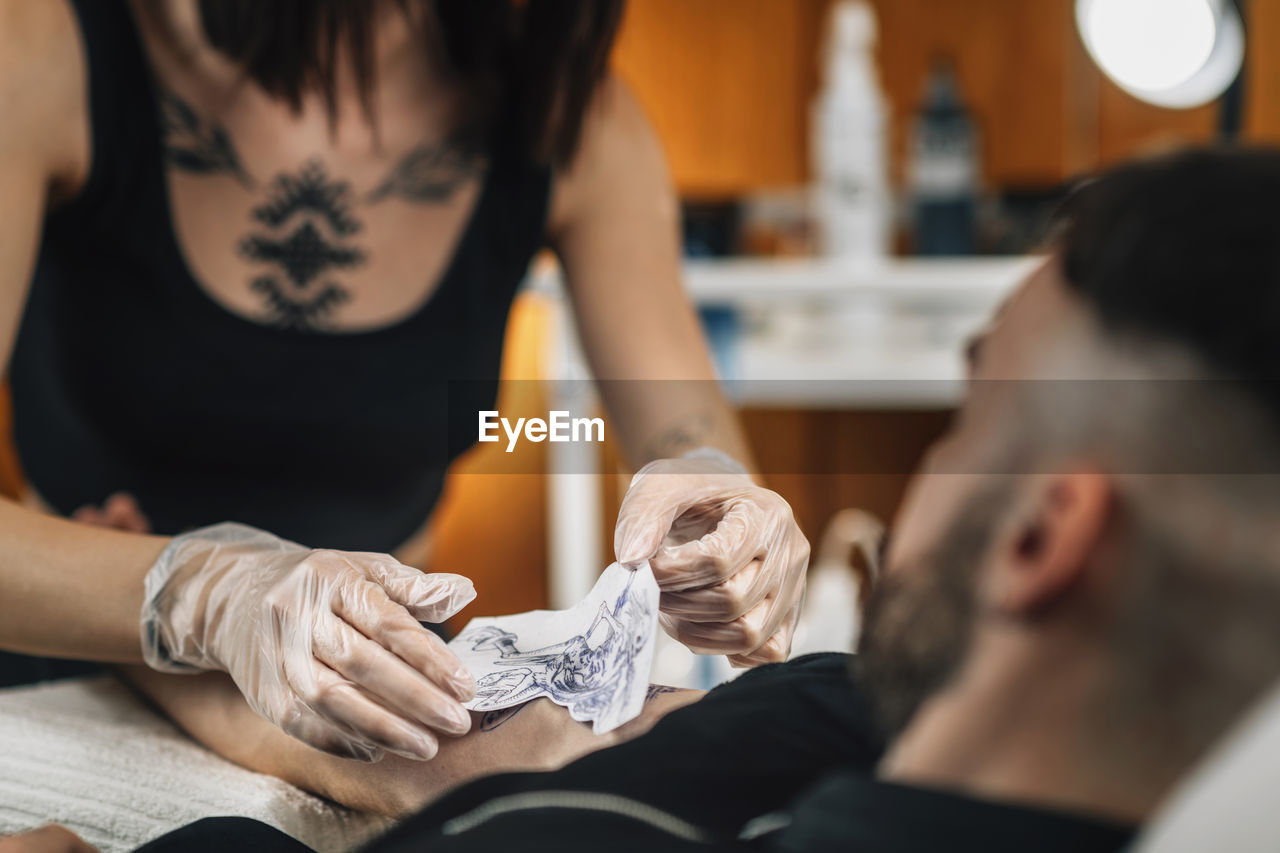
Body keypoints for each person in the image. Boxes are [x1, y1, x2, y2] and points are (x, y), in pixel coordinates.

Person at [40, 146, 1276, 853]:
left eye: (969, 422)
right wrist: (187, 597)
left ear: (1042, 534)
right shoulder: (847, 704)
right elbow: (503, 737)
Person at [0, 0, 807, 762]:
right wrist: (201, 593)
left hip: (376, 715)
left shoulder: (572, 118)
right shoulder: (43, 47)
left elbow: (688, 434)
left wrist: (725, 510)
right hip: (68, 673)